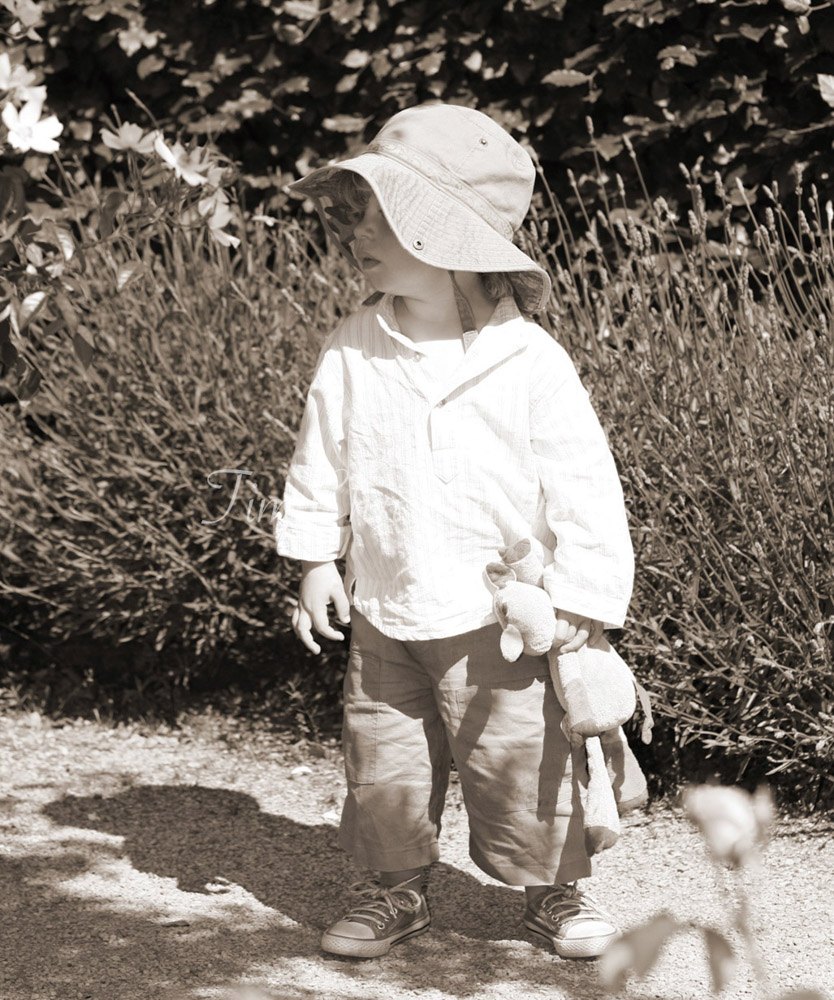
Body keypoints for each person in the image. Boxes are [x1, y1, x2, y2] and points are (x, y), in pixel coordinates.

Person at [275, 103, 635, 961]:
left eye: (380, 214)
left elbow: (586, 486)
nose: (358, 230)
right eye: (357, 210)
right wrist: (315, 558)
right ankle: (396, 891)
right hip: (387, 610)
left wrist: (585, 599)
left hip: (502, 625)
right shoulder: (354, 346)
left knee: (523, 763)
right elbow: (318, 456)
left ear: (447, 241)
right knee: (385, 762)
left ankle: (556, 894)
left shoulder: (531, 363)